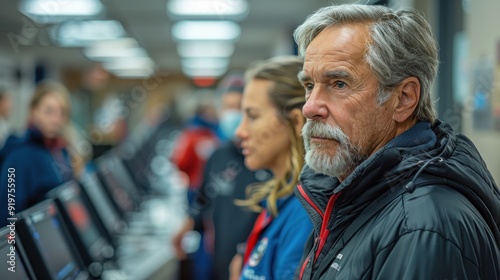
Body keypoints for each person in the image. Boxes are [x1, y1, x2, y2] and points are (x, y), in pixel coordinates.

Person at [293, 4, 500, 279]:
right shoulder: (346, 193)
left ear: (403, 99)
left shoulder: (422, 226)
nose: (310, 108)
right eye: (309, 86)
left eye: (339, 84)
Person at [172, 74, 270, 280]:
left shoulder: (264, 158)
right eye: (227, 106)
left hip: (253, 266)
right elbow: (204, 197)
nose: (231, 113)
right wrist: (185, 227)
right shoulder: (218, 156)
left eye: (238, 106)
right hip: (217, 262)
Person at [230, 56, 313, 280]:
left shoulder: (305, 214)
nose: (240, 131)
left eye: (252, 116)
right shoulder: (283, 197)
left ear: (296, 122)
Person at [0, 80, 74, 227]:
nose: (56, 119)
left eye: (61, 113)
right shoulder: (20, 156)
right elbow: (7, 215)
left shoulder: (60, 151)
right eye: (49, 111)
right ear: (34, 112)